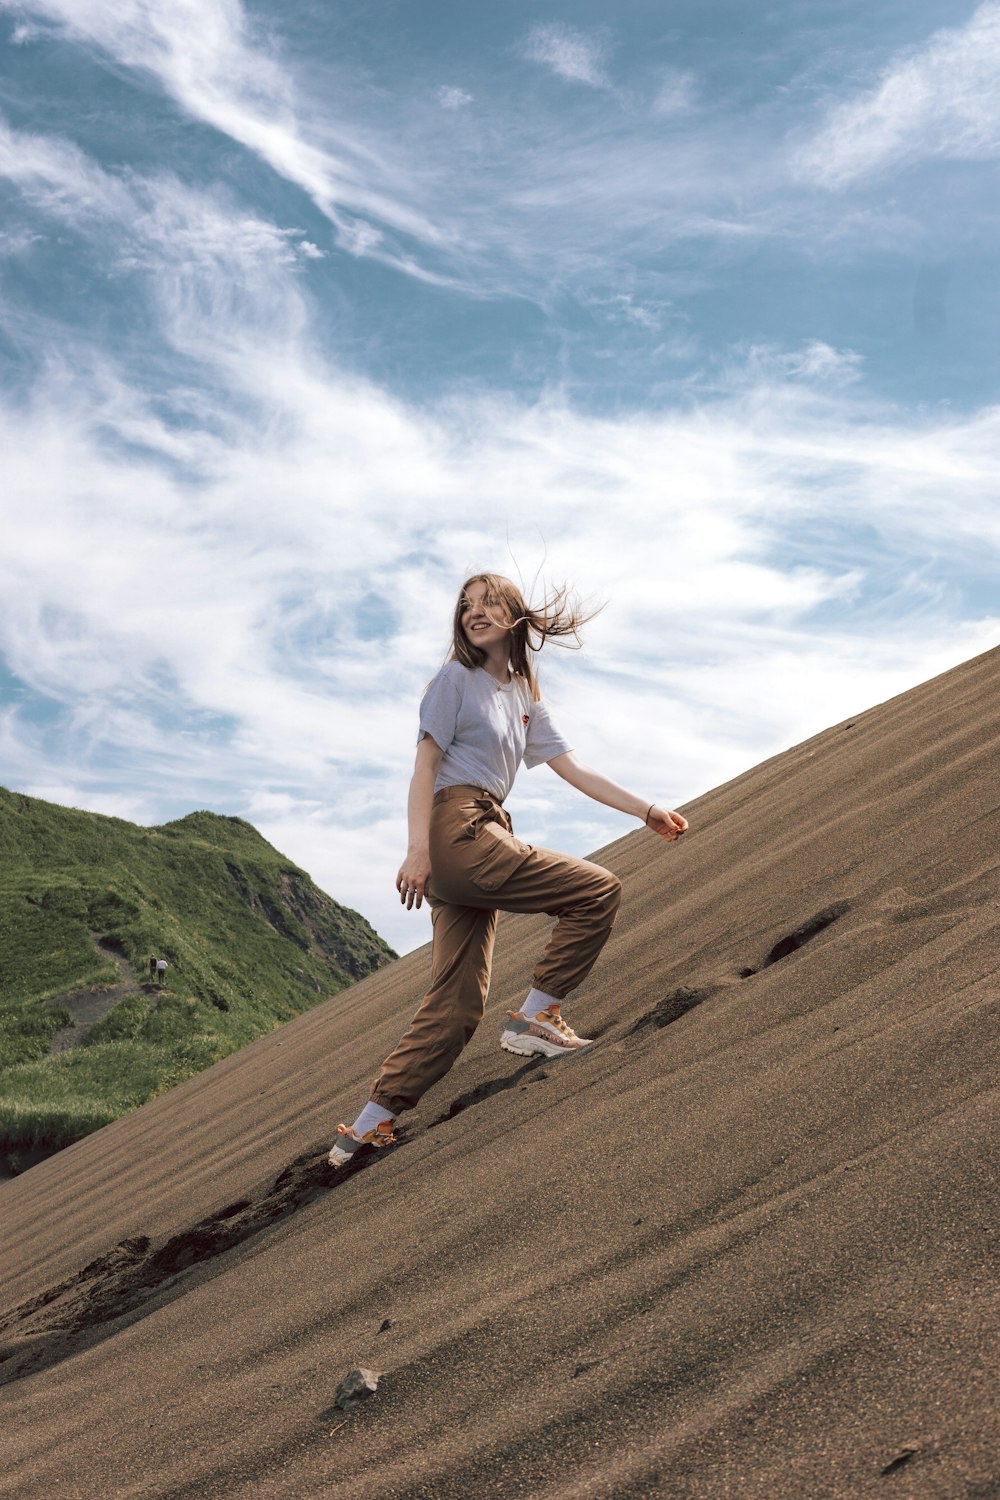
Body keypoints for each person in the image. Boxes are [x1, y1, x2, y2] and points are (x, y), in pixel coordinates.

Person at [328, 573, 688, 1168]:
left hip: (478, 835)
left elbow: (574, 769)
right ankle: (535, 1017)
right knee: (596, 889)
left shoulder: (520, 693)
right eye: (465, 606)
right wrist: (417, 848)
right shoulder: (453, 680)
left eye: (488, 602)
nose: (474, 612)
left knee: (459, 1003)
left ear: (515, 615)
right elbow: (425, 768)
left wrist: (645, 809)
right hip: (457, 829)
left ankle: (365, 1128)